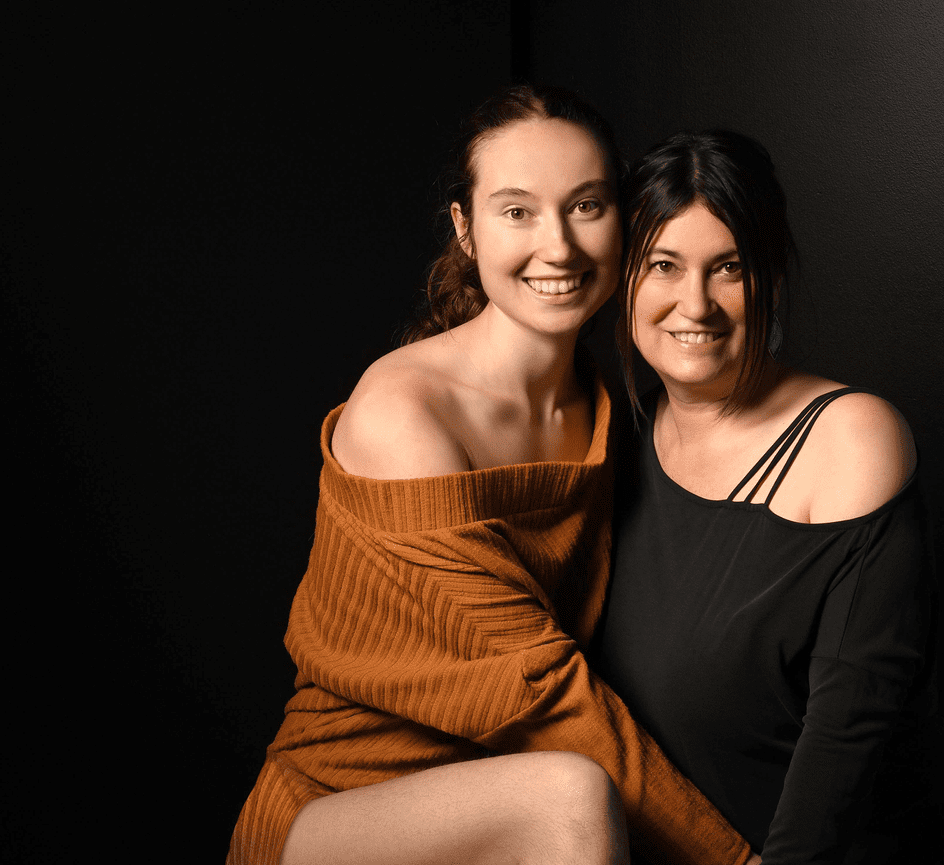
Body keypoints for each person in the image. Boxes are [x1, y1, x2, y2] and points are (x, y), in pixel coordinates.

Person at [227, 88, 754, 865]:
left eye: (585, 206)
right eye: (517, 212)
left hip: (510, 803)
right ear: (465, 229)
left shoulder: (605, 405)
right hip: (336, 807)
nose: (559, 247)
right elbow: (539, 692)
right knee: (570, 794)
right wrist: (737, 860)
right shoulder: (405, 413)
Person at [593, 130, 944, 864]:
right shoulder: (610, 441)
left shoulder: (851, 438)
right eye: (663, 265)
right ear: (624, 278)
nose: (696, 303)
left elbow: (845, 748)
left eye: (729, 268)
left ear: (771, 277)